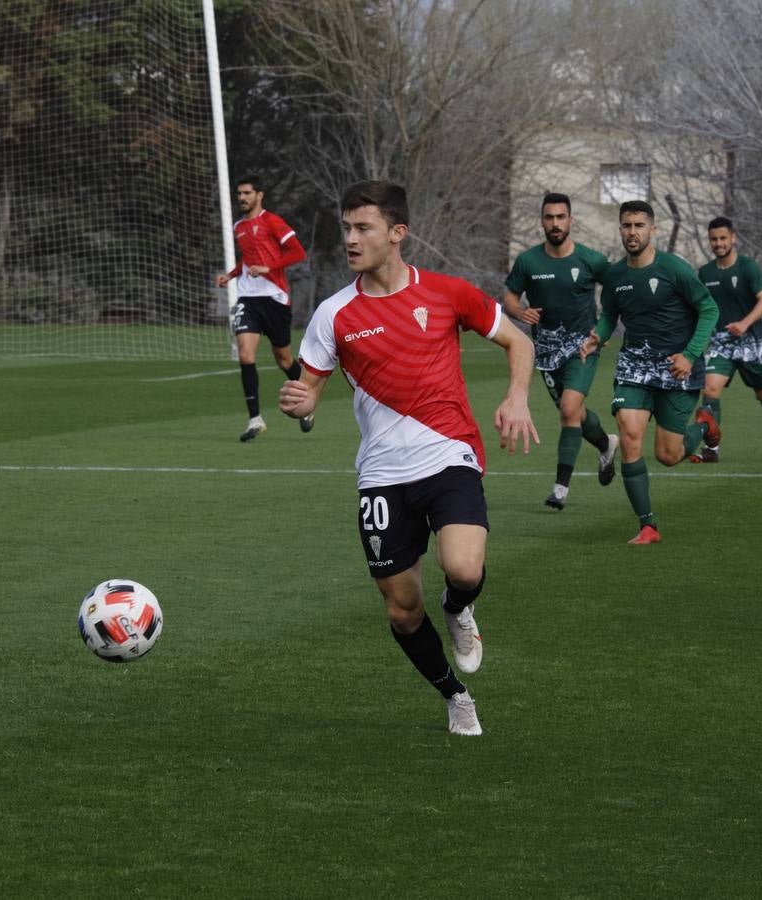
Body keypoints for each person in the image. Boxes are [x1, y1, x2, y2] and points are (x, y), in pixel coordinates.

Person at [279, 181, 538, 736]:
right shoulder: (333, 314)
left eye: (363, 227)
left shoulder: (446, 293)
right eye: (346, 227)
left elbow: (520, 341)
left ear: (397, 234)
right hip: (381, 475)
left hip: (448, 455)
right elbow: (308, 399)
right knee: (401, 609)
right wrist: (299, 405)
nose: (350, 238)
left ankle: (459, 606)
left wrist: (516, 397)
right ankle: (454, 694)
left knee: (464, 568)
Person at [579, 200, 720, 545]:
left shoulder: (674, 269)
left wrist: (689, 355)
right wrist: (599, 334)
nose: (632, 232)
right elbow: (610, 313)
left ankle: (705, 425)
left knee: (668, 455)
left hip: (677, 365)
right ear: (620, 229)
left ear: (652, 230)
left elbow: (709, 309)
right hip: (635, 364)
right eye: (626, 225)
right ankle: (648, 525)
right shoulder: (614, 275)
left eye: (639, 225)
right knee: (628, 433)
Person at [504, 192, 619, 510]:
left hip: (582, 348)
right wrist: (520, 312)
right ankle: (605, 443)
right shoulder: (529, 261)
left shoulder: (590, 259)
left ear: (570, 220)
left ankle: (560, 489)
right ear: (542, 220)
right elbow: (510, 298)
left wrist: (604, 328)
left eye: (561, 217)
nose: (555, 223)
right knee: (574, 414)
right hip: (546, 352)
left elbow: (617, 289)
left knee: (569, 409)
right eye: (549, 217)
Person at [216, 175, 310, 441]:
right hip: (248, 298)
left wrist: (270, 268)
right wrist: (231, 275)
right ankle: (255, 420)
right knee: (246, 355)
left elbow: (297, 252)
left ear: (260, 195)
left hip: (275, 298)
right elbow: (247, 259)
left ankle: (306, 400)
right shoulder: (239, 227)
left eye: (247, 193)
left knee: (284, 359)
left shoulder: (272, 221)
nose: (242, 198)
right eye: (239, 194)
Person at [693, 217, 762, 463]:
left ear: (733, 238)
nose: (718, 243)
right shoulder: (705, 273)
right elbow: (700, 307)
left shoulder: (748, 267)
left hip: (752, 344)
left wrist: (745, 323)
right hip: (721, 344)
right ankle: (712, 449)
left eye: (723, 238)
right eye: (714, 239)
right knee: (710, 390)